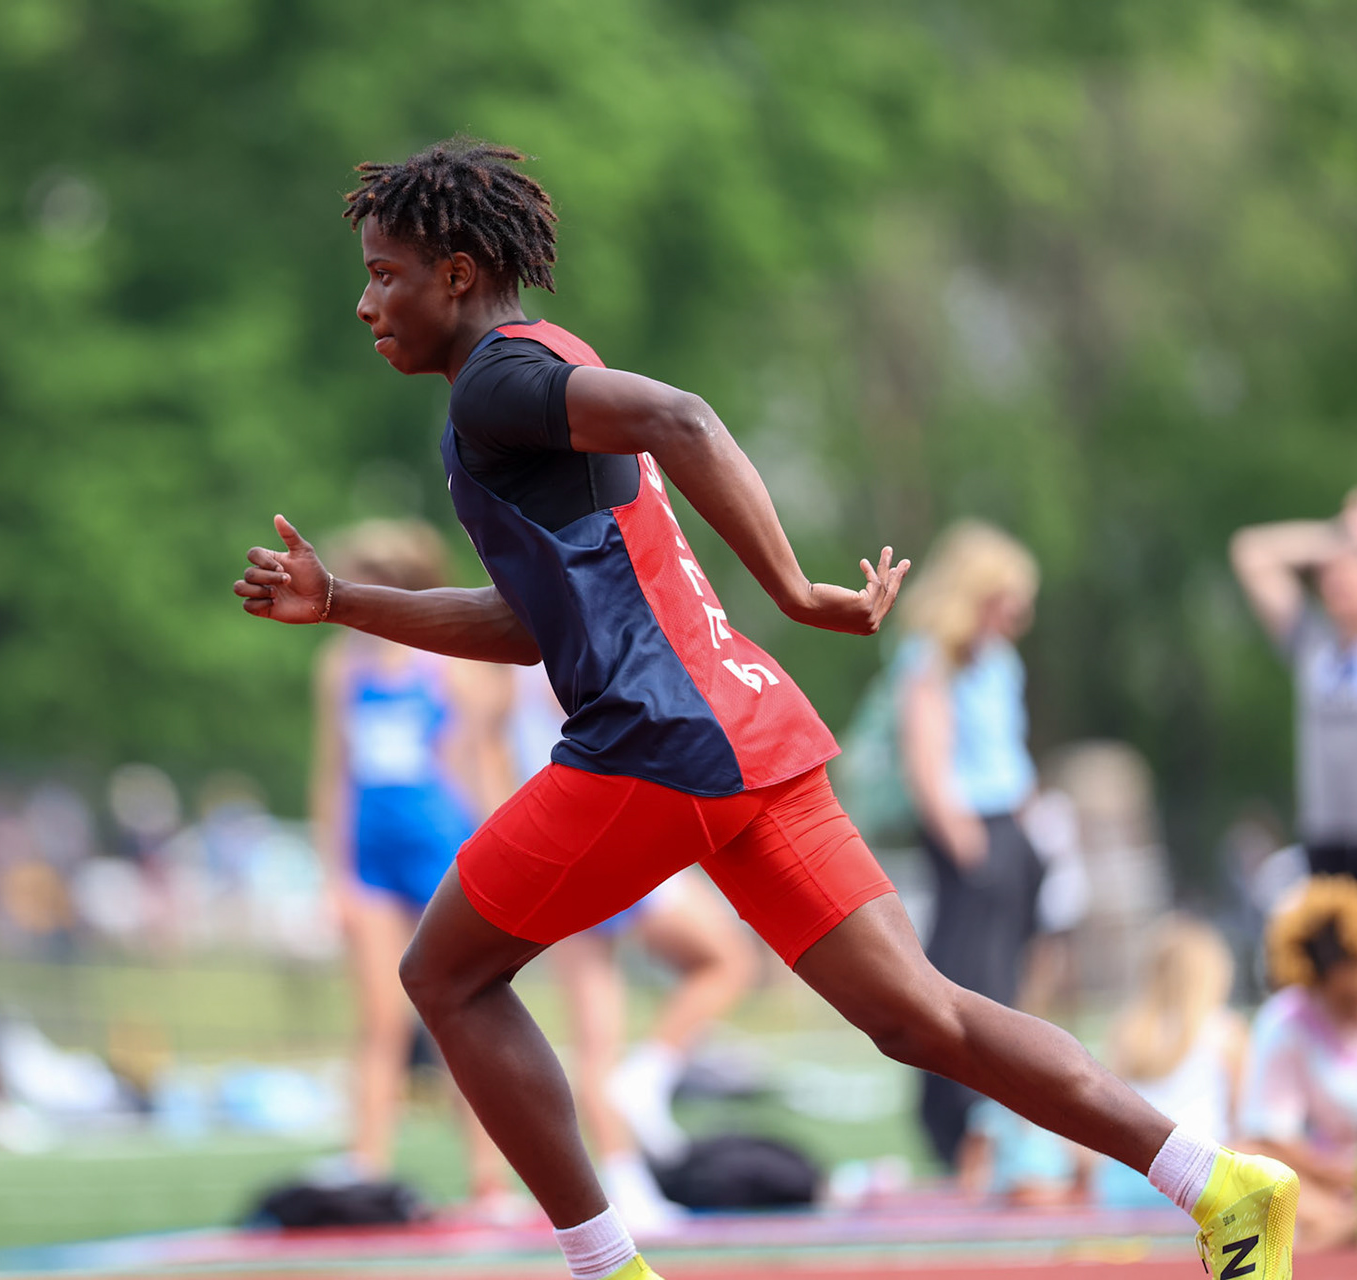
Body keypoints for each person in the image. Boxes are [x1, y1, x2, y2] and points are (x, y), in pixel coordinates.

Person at [233, 138, 1296, 1280]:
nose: (365, 302)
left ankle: (608, 1269)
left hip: (659, 742)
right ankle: (1221, 1181)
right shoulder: (539, 368)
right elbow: (533, 621)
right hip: (747, 728)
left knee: (445, 976)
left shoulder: (497, 377)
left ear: (453, 273)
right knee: (919, 1016)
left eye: (385, 273)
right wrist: (343, 600)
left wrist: (794, 588)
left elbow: (683, 417)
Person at [308, 519, 517, 1211]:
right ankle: (366, 1165)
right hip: (372, 861)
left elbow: (480, 765)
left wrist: (501, 854)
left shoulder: (450, 667)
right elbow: (332, 775)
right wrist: (333, 874)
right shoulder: (342, 667)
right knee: (379, 1020)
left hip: (441, 852)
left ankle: (487, 1176)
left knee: (458, 1012)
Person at [519, 664, 755, 1232]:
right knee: (725, 960)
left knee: (602, 1035)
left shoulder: (526, 642)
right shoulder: (561, 636)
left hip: (562, 828)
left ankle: (628, 1179)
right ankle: (646, 1082)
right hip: (599, 817)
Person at [892, 520, 1044, 1166]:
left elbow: (1009, 749)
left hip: (1010, 827)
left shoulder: (1000, 659)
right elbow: (926, 757)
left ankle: (1000, 1118)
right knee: (963, 978)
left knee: (1007, 979)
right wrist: (963, 839)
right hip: (967, 833)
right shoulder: (932, 657)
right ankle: (954, 1127)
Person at [1231, 488, 1357, 897]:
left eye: (1352, 570)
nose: (1338, 582)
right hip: (1328, 839)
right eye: (1331, 572)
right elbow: (1250, 552)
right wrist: (1335, 537)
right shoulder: (1313, 643)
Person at [1238, 876, 1357, 1251]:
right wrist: (1346, 1176)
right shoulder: (1284, 1023)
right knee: (1246, 1157)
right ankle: (1349, 1228)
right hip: (1334, 1183)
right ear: (1315, 983)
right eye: (1347, 996)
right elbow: (1270, 1136)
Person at [1096, 916, 1245, 1208]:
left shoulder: (1128, 1031)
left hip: (1126, 1177)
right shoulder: (1226, 1031)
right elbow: (1240, 1118)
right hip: (1199, 1178)